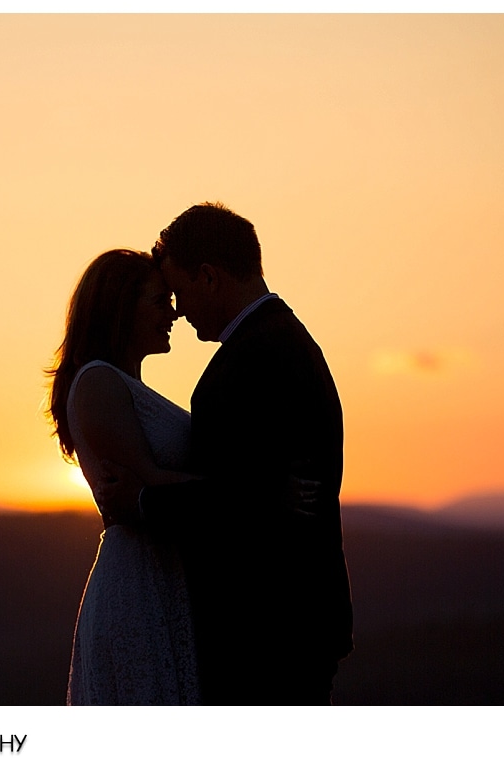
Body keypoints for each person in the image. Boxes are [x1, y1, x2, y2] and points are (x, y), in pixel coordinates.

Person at [96, 202, 354, 704]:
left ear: (209, 277)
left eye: (180, 291)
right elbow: (254, 490)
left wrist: (142, 501)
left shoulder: (253, 362)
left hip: (267, 631)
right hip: (290, 626)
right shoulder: (281, 342)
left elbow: (235, 504)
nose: (178, 309)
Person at [46, 248, 201, 705]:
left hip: (162, 575)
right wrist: (258, 491)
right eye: (158, 301)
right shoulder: (97, 382)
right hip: (138, 584)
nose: (172, 313)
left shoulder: (123, 385)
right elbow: (147, 487)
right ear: (120, 308)